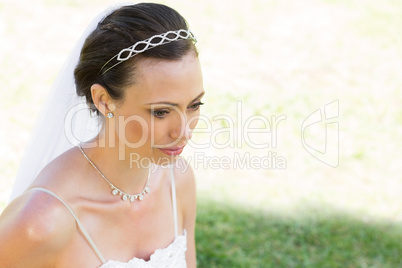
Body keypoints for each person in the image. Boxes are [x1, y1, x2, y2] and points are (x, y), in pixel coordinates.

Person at [0, 3, 203, 267]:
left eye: (195, 105)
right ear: (104, 101)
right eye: (161, 112)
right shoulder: (42, 223)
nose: (184, 132)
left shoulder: (178, 181)